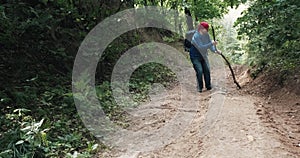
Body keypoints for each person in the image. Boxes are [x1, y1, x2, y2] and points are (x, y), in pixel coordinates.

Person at [190, 21, 221, 93]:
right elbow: (201, 47)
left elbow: (210, 45)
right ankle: (199, 87)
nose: (207, 30)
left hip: (204, 56)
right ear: (201, 29)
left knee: (207, 70)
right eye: (206, 29)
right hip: (195, 56)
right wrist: (211, 43)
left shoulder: (206, 35)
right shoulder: (196, 36)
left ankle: (208, 86)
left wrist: (215, 50)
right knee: (199, 71)